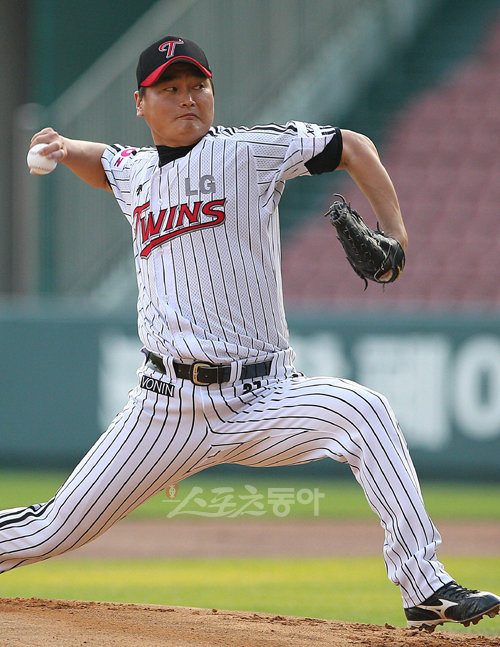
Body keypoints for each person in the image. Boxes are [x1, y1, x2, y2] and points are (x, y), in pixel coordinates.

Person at [2, 36, 498, 632]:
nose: (188, 98)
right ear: (140, 103)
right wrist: (65, 148)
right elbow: (104, 162)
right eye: (169, 88)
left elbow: (353, 147)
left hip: (264, 396)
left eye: (198, 86)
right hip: (165, 410)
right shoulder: (135, 171)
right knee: (54, 528)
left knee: (364, 411)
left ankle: (424, 585)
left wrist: (397, 237)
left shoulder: (248, 152)